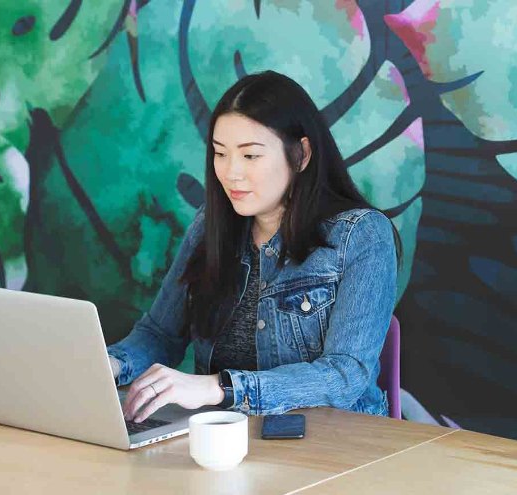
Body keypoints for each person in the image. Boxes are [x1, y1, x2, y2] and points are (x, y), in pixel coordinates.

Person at [107, 70, 400, 423]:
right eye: (220, 153)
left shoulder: (361, 236)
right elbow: (160, 334)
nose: (231, 173)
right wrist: (110, 364)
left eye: (250, 156)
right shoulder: (210, 225)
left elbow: (344, 374)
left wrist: (220, 388)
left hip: (336, 444)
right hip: (227, 441)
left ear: (301, 154)